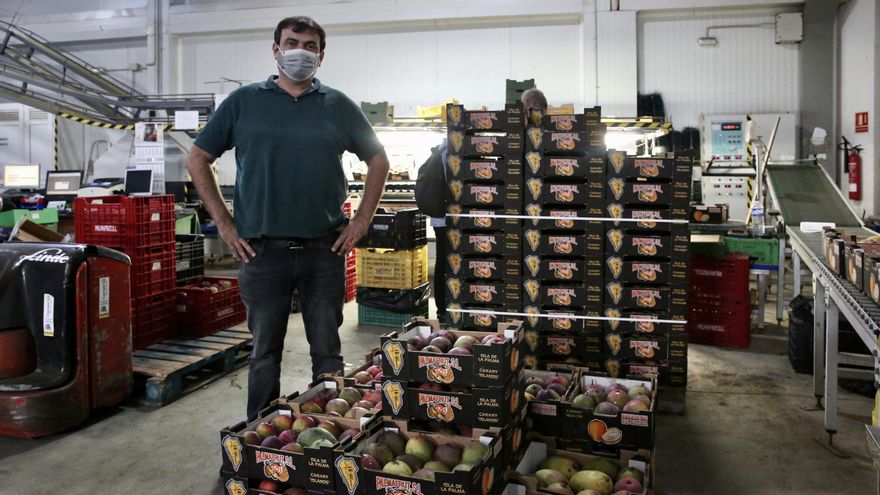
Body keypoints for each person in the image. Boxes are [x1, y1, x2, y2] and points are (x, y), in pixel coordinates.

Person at [186, 16, 390, 421]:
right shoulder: (244, 102)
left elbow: (378, 159)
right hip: (262, 252)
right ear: (276, 49)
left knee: (327, 354)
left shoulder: (338, 105)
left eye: (310, 45)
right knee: (264, 354)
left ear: (322, 55)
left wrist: (361, 221)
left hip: (324, 251)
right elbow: (197, 158)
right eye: (292, 42)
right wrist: (225, 224)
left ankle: (328, 432)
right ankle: (261, 438)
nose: (301, 51)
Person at [430, 88, 548, 322]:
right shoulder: (458, 145)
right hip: (447, 214)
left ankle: (454, 308)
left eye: (535, 113)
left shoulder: (498, 141)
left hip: (464, 214)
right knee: (447, 260)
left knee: (456, 261)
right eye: (531, 112)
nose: (531, 118)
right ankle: (445, 311)